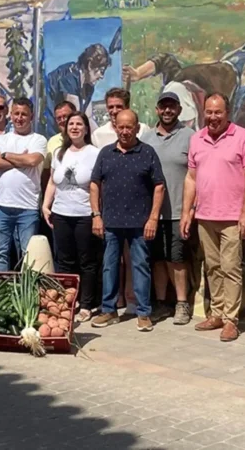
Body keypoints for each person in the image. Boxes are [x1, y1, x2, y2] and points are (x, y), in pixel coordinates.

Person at [181, 93, 245, 342]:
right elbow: (191, 178)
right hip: (205, 216)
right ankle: (216, 313)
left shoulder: (243, 137)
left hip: (232, 217)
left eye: (218, 112)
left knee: (231, 268)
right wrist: (186, 212)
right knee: (212, 267)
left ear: (228, 113)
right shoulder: (197, 139)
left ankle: (231, 320)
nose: (213, 117)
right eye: (209, 112)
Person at [90, 109, 165, 332]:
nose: (124, 131)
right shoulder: (106, 153)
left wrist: (153, 218)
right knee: (109, 266)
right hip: (110, 222)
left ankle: (143, 313)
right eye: (120, 127)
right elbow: (94, 184)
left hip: (140, 223)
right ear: (115, 127)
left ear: (137, 128)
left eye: (128, 127)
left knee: (140, 266)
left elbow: (159, 186)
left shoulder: (147, 152)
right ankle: (109, 310)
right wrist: (96, 215)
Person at [91, 87, 150, 313]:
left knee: (135, 258)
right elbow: (98, 175)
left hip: (135, 207)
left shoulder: (143, 130)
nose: (114, 111)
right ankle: (115, 302)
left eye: (119, 106)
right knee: (113, 260)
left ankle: (132, 299)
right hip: (111, 206)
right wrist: (97, 211)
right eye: (111, 107)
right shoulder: (99, 135)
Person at [141, 91, 195, 325]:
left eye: (172, 106)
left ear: (179, 110)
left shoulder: (190, 136)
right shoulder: (146, 138)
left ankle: (182, 303)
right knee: (157, 260)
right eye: (163, 106)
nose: (167, 110)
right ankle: (162, 303)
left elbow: (196, 174)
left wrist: (191, 210)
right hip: (152, 213)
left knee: (177, 259)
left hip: (178, 212)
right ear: (157, 109)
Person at [42, 112, 101, 322]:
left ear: (86, 129)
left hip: (84, 214)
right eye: (71, 124)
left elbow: (97, 185)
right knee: (65, 261)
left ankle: (86, 304)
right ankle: (67, 302)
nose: (75, 127)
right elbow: (53, 181)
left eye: (79, 124)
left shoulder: (95, 153)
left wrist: (97, 214)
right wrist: (46, 205)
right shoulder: (59, 152)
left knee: (87, 262)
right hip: (61, 214)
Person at [0, 98, 47, 271]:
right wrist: (21, 160)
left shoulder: (38, 139)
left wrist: (5, 155)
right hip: (2, 206)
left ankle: (25, 288)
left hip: (27, 207)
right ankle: (3, 286)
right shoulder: (2, 139)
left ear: (31, 117)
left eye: (24, 114)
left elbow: (32, 160)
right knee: (0, 253)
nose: (19, 118)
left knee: (28, 254)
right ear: (11, 115)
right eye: (16, 114)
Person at [46, 43, 111, 136]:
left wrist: (101, 138)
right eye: (101, 71)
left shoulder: (88, 85)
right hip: (52, 130)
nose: (102, 76)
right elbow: (75, 117)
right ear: (90, 65)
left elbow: (88, 118)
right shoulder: (69, 76)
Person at [44, 100, 76, 174]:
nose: (62, 120)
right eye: (59, 118)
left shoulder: (86, 140)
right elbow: (46, 171)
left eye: (66, 116)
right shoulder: (52, 142)